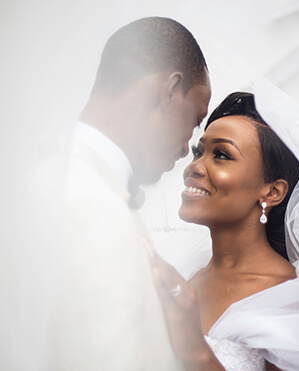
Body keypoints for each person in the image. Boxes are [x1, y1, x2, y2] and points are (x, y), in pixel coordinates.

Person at [4, 17, 211, 370]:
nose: (185, 149)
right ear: (170, 92)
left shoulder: (53, 175)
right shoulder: (92, 205)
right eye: (194, 119)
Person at [147, 92, 299, 370]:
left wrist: (197, 351)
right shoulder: (186, 274)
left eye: (221, 155)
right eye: (198, 151)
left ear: (273, 191)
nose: (194, 167)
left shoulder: (291, 298)